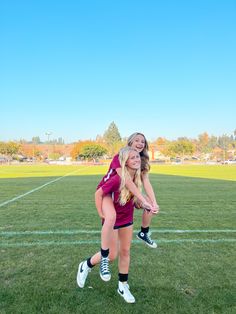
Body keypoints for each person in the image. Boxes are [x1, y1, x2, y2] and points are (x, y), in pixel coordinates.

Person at [77, 147, 159, 303]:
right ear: (125, 162)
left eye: (137, 157)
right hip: (113, 218)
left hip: (126, 217)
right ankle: (85, 264)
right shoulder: (117, 178)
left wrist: (148, 207)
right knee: (112, 255)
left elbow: (135, 201)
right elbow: (99, 193)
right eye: (132, 158)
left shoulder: (138, 178)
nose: (136, 160)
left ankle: (123, 285)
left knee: (126, 251)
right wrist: (101, 213)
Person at [97, 132, 159, 281]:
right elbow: (126, 181)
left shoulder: (141, 161)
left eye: (143, 141)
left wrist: (153, 201)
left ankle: (144, 232)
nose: (140, 143)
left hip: (125, 194)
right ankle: (103, 257)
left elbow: (146, 182)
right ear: (129, 142)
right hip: (110, 191)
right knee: (111, 221)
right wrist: (141, 199)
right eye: (136, 140)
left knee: (150, 205)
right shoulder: (121, 156)